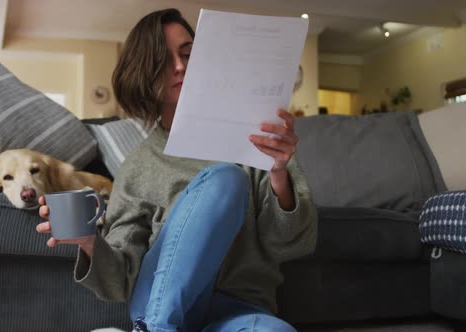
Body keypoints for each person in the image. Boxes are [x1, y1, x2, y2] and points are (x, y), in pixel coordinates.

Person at [37, 8, 317, 332]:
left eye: (187, 55)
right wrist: (89, 243)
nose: (181, 66)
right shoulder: (139, 167)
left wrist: (279, 171)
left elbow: (291, 245)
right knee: (227, 179)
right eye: (164, 60)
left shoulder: (259, 140)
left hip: (238, 310)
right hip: (163, 308)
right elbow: (121, 280)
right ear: (145, 73)